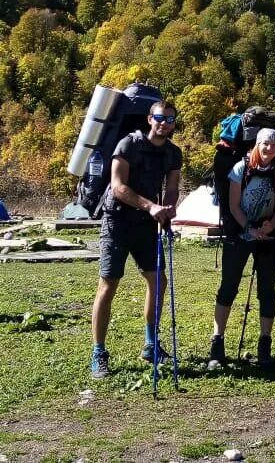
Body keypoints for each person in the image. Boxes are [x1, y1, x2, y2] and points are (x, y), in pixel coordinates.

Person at [90, 100, 182, 379]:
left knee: (158, 280)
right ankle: (99, 353)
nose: (164, 122)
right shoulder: (128, 145)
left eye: (169, 118)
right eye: (159, 117)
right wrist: (151, 206)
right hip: (117, 220)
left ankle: (151, 345)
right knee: (109, 283)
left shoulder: (173, 153)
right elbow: (118, 187)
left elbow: (173, 187)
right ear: (149, 119)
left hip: (147, 223)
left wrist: (167, 208)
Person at [208, 127, 275, 369]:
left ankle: (265, 343)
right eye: (265, 144)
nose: (269, 149)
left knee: (267, 290)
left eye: (273, 146)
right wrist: (249, 228)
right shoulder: (240, 168)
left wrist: (270, 226)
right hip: (240, 234)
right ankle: (217, 342)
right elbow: (233, 206)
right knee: (228, 287)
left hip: (269, 236)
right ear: (256, 144)